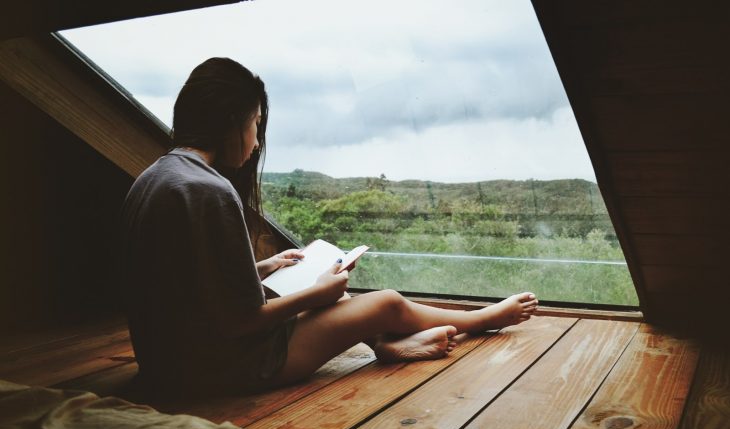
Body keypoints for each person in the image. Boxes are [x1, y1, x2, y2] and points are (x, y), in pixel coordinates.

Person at [121, 57, 538, 394]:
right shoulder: (209, 189)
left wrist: (266, 269)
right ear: (232, 121)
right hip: (218, 369)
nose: (257, 141)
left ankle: (387, 344)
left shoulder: (155, 177)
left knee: (331, 295)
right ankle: (481, 319)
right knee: (383, 301)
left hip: (168, 364)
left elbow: (190, 287)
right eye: (255, 124)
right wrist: (316, 293)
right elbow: (240, 322)